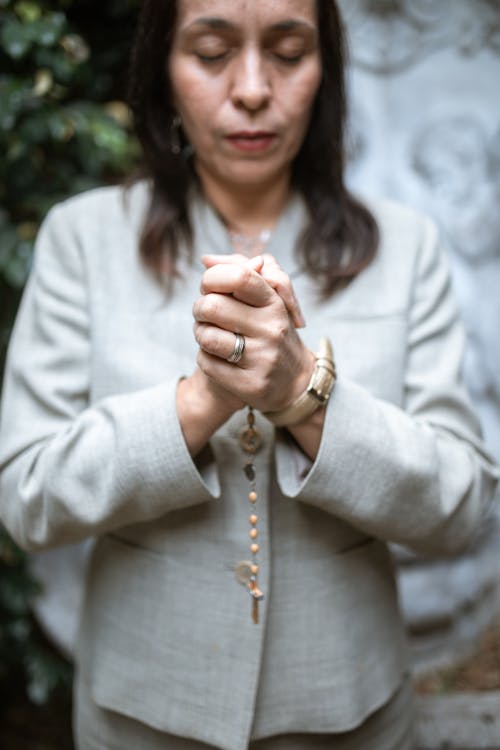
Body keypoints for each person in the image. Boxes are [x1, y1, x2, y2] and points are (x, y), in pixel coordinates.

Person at [0, 1, 498, 748]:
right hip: (140, 716)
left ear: (325, 72)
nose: (254, 88)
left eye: (290, 52)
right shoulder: (85, 239)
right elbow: (26, 497)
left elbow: (462, 509)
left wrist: (306, 394)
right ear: (162, 72)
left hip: (351, 716)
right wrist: (201, 400)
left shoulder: (405, 247)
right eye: (211, 52)